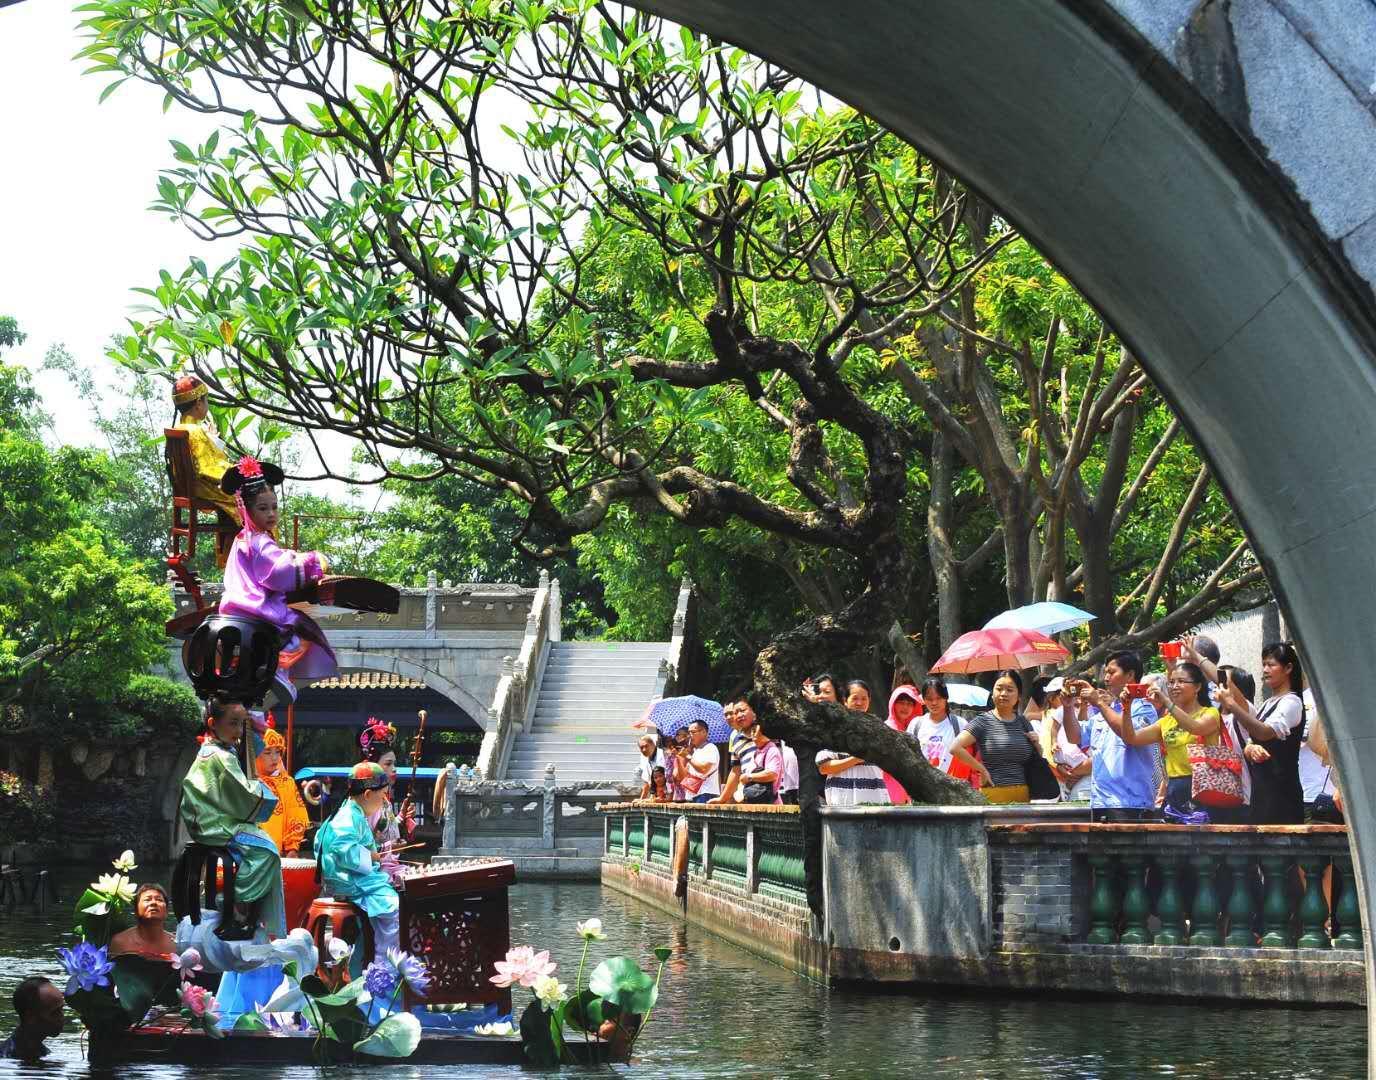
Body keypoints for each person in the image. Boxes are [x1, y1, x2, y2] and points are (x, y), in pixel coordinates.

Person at [217, 456, 337, 701]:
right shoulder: (259, 541)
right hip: (255, 609)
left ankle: (265, 668)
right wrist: (315, 560)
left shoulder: (245, 538)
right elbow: (281, 572)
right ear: (246, 510)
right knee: (299, 629)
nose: (271, 514)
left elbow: (277, 560)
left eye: (274, 507)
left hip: (234, 609)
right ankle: (278, 670)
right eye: (263, 508)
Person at [179, 695, 285, 940]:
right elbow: (243, 794)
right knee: (267, 850)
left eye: (241, 724)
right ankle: (236, 904)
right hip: (216, 824)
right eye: (233, 723)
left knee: (264, 844)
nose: (238, 731)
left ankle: (237, 905)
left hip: (207, 821)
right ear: (213, 723)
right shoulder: (222, 756)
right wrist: (265, 793)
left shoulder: (211, 749)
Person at [314, 761, 402, 962]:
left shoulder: (350, 812)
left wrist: (372, 855)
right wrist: (370, 856)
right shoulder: (348, 816)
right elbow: (341, 847)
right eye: (382, 796)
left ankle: (378, 958)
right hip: (351, 881)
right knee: (396, 909)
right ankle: (386, 963)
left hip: (353, 877)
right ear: (369, 794)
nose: (385, 801)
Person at [1215, 642, 1306, 825]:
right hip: (1262, 794)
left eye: (1271, 665)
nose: (1265, 669)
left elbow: (1264, 733)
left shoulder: (1292, 702)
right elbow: (1254, 738)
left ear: (1288, 668)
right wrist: (1250, 748)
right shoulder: (1267, 703)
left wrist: (1231, 704)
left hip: (1283, 796)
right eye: (1263, 664)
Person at [1062, 652, 1160, 821]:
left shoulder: (1143, 708)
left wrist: (1099, 702)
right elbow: (1075, 737)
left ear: (1130, 675)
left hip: (1131, 802)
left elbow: (1128, 735)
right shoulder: (1105, 711)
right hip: (1100, 801)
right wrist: (1068, 707)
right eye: (1105, 672)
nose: (1106, 678)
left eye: (1112, 672)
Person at [1117, 662, 1220, 816]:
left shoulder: (1210, 713)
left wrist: (1166, 701)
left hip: (1202, 787)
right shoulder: (1166, 721)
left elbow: (1195, 727)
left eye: (1181, 681)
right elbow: (1131, 738)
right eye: (1171, 682)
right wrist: (1126, 708)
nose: (1174, 686)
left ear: (1197, 687)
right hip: (1174, 787)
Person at [168, 374, 240, 565]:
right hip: (203, 487)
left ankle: (228, 556)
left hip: (189, 488)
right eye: (206, 401)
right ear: (199, 403)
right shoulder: (196, 431)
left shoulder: (181, 428)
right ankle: (250, 555)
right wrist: (236, 472)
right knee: (251, 499)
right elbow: (207, 467)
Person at [950, 670, 1040, 802]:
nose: (1003, 694)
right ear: (992, 694)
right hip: (994, 792)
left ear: (1019, 696)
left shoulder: (1023, 722)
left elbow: (1038, 757)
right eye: (999, 689)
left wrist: (1037, 743)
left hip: (1024, 793)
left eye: (1009, 690)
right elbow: (955, 747)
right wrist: (981, 769)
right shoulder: (982, 721)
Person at [816, 680, 890, 805]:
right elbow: (824, 767)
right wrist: (856, 759)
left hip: (876, 802)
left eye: (864, 699)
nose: (859, 703)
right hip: (843, 803)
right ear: (845, 700)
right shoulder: (834, 729)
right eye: (855, 698)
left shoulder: (878, 728)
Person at [255, 720, 309, 856]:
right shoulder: (248, 781)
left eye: (278, 752)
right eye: (267, 752)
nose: (274, 758)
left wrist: (293, 847)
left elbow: (296, 814)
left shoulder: (287, 783)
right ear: (255, 754)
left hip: (279, 853)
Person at [911, 678, 974, 784]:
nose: (934, 702)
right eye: (929, 699)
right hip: (922, 787)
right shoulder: (916, 725)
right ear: (923, 700)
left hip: (953, 789)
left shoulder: (960, 724)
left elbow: (969, 757)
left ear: (946, 698)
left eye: (938, 698)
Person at [0, 977, 64, 1061]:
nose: (62, 1017)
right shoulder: (5, 1057)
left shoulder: (43, 1052)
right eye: (54, 1013)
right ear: (30, 1017)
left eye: (61, 1009)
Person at [710, 696, 759, 805]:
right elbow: (736, 769)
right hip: (746, 788)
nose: (729, 717)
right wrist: (723, 797)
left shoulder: (760, 731)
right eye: (725, 714)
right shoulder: (734, 737)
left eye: (732, 713)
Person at [109, 882, 177, 959]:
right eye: (147, 899)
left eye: (159, 900)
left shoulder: (176, 944)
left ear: (166, 911)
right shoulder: (120, 942)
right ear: (136, 910)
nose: (153, 903)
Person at [882, 684, 924, 803]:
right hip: (890, 789)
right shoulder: (887, 728)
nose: (905, 707)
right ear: (893, 703)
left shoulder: (913, 729)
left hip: (908, 792)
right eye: (901, 702)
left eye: (910, 704)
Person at [679, 719, 720, 803]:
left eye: (693, 732)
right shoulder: (694, 751)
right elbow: (683, 776)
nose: (690, 735)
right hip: (692, 794)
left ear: (704, 732)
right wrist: (679, 758)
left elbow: (704, 769)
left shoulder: (710, 748)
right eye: (689, 732)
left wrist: (688, 756)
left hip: (706, 794)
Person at [741, 723, 784, 804]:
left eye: (754, 731)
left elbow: (772, 774)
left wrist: (750, 777)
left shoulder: (772, 750)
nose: (752, 734)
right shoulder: (756, 752)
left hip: (770, 804)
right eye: (751, 731)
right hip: (757, 801)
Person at [636, 735, 665, 800]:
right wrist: (641, 799)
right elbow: (647, 782)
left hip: (669, 794)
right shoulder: (646, 759)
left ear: (653, 744)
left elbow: (665, 778)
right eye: (641, 747)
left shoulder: (662, 755)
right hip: (659, 796)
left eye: (646, 746)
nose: (644, 749)